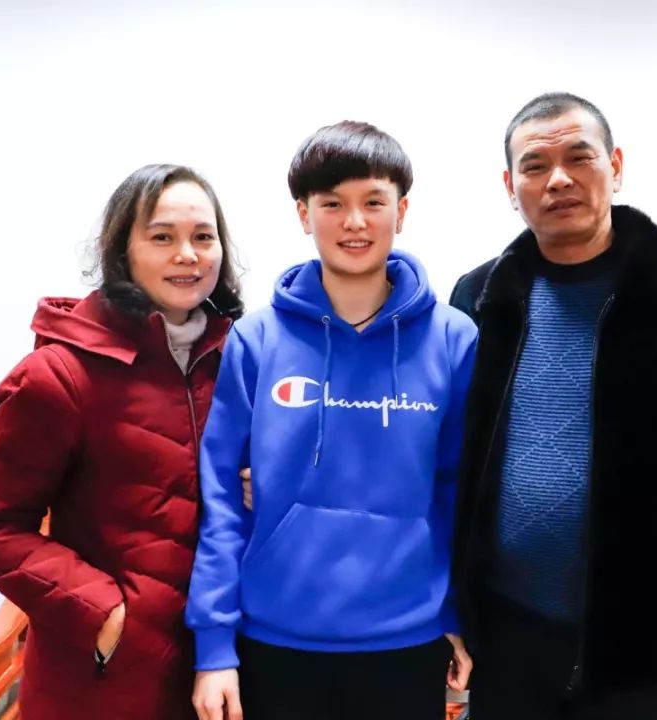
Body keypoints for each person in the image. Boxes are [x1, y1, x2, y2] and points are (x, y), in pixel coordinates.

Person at [449, 92, 657, 720]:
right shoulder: (481, 296)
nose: (559, 179)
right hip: (506, 640)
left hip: (647, 648)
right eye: (535, 165)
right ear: (511, 186)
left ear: (616, 166)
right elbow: (455, 467)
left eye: (580, 157)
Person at [185, 121, 476, 720]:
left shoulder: (453, 339)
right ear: (304, 213)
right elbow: (220, 498)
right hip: (275, 639)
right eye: (333, 204)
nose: (354, 221)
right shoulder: (257, 340)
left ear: (402, 211)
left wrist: (455, 613)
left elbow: (459, 492)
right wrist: (213, 647)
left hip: (407, 639)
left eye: (374, 201)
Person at [0, 164, 244, 720]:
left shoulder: (239, 359)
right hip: (102, 683)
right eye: (162, 237)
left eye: (203, 237)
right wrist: (105, 615)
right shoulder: (59, 375)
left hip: (221, 672)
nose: (187, 254)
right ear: (122, 250)